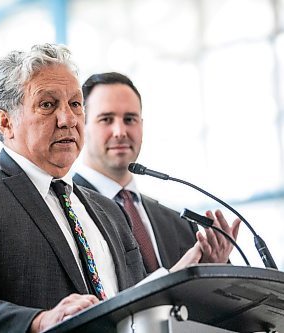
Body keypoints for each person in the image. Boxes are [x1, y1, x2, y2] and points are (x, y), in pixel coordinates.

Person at [0, 44, 235, 333]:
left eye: (75, 104)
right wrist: (38, 322)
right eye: (48, 105)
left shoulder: (107, 210)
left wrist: (185, 276)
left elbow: (130, 308)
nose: (68, 119)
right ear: (5, 122)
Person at [73, 72, 241, 271]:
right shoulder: (69, 210)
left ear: (141, 125)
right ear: (81, 126)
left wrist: (212, 271)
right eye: (106, 119)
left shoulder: (180, 224)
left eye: (130, 119)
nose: (120, 131)